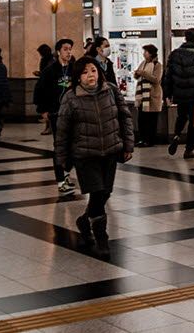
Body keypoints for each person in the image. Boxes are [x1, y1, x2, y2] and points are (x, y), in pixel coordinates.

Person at [54, 56, 134, 259]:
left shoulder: (111, 90)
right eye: (85, 72)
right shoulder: (71, 98)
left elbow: (124, 116)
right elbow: (62, 130)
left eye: (93, 70)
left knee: (105, 192)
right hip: (85, 154)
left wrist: (128, 144)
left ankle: (84, 220)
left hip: (110, 151)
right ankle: (101, 239)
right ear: (78, 77)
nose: (90, 75)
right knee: (98, 193)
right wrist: (62, 158)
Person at [36, 39, 77, 195]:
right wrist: (43, 109)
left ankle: (66, 173)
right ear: (59, 51)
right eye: (65, 49)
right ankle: (61, 181)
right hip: (56, 113)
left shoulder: (75, 69)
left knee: (73, 146)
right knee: (60, 147)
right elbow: (40, 90)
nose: (68, 52)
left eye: (70, 49)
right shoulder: (50, 70)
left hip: (72, 113)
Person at [163, 29, 194, 160]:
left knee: (181, 116)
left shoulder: (175, 54)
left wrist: (168, 93)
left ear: (185, 38)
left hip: (180, 93)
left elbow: (168, 76)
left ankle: (177, 135)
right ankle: (189, 150)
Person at [133, 45, 163, 147]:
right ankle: (142, 139)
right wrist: (137, 73)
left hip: (152, 96)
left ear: (151, 53)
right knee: (141, 119)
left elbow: (156, 79)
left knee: (151, 120)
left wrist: (143, 73)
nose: (144, 54)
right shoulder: (143, 63)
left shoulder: (157, 65)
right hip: (143, 97)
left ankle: (150, 140)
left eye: (146, 52)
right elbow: (138, 75)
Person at [33, 43, 56, 133]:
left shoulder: (49, 61)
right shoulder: (50, 60)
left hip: (47, 88)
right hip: (46, 86)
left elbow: (47, 73)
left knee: (47, 108)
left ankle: (49, 127)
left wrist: (39, 73)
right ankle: (48, 126)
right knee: (47, 108)